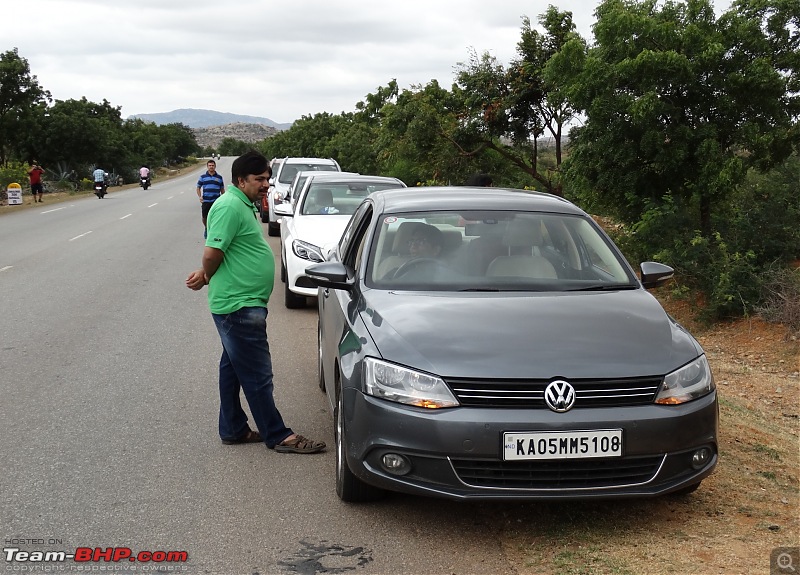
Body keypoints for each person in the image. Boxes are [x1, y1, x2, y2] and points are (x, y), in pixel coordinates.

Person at [185, 150, 326, 455]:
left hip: (241, 302)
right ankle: (277, 434)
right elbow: (212, 253)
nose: (266, 184)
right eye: (259, 179)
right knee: (258, 375)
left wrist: (206, 274)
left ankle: (233, 428)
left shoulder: (242, 203)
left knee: (233, 368)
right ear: (240, 180)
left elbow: (227, 251)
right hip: (238, 305)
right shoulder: (228, 207)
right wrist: (206, 274)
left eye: (267, 178)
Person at [196, 159, 225, 237]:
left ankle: (214, 230)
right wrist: (200, 197)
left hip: (216, 201)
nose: (211, 167)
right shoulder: (203, 177)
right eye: (210, 165)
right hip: (206, 200)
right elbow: (198, 187)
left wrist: (224, 198)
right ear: (207, 166)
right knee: (204, 216)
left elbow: (222, 189)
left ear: (215, 166)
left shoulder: (219, 177)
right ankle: (206, 228)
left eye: (212, 165)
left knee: (217, 216)